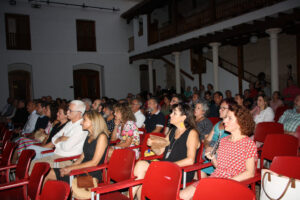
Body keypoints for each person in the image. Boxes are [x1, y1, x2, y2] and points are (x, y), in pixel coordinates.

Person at [180, 104, 257, 200]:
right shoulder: (224, 140)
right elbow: (219, 167)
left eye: (229, 118)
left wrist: (227, 181)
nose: (224, 121)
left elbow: (250, 173)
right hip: (216, 178)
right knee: (181, 196)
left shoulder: (248, 143)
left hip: (235, 183)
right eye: (225, 118)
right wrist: (213, 159)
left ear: (241, 122)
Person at [133, 103, 200, 200]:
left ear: (183, 117)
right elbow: (161, 152)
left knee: (145, 177)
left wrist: (168, 166)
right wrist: (153, 145)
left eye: (174, 113)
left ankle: (130, 196)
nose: (170, 115)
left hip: (180, 171)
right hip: (166, 167)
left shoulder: (192, 133)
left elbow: (190, 160)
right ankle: (131, 196)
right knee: (141, 165)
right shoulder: (173, 131)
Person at [44, 110, 109, 189]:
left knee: (48, 175)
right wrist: (68, 168)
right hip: (81, 170)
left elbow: (94, 162)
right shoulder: (89, 135)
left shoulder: (102, 137)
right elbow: (82, 157)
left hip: (91, 174)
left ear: (93, 121)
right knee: (46, 174)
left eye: (84, 120)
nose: (81, 122)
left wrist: (71, 168)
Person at [28, 100, 88, 173]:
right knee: (31, 163)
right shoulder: (69, 124)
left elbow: (66, 146)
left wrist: (59, 140)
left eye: (70, 110)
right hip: (56, 155)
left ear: (79, 113)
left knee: (35, 167)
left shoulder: (81, 127)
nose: (67, 112)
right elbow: (54, 139)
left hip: (65, 160)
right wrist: (62, 139)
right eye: (68, 109)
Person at [201, 99, 235, 176]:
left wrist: (215, 151)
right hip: (211, 152)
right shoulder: (217, 124)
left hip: (222, 157)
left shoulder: (233, 126)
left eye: (223, 108)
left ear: (231, 109)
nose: (220, 110)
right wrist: (208, 147)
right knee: (200, 171)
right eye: (220, 108)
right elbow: (207, 140)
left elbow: (233, 145)